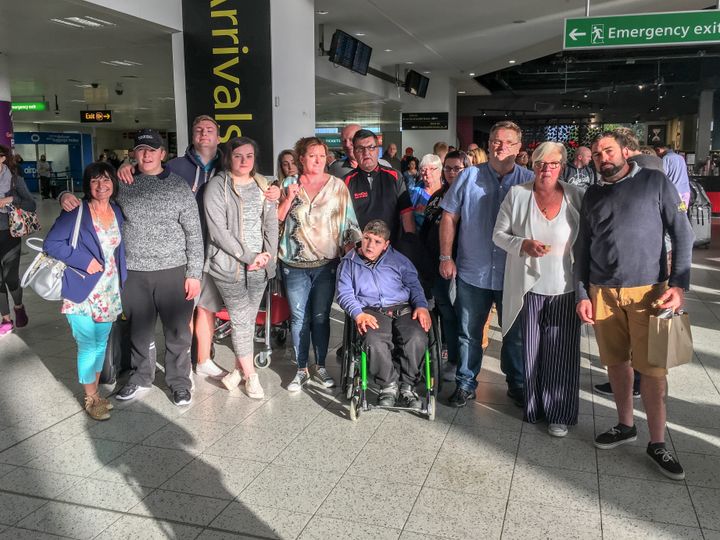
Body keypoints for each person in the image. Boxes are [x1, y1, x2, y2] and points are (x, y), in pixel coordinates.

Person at [575, 131, 693, 480]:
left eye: (608, 151)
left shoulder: (655, 182)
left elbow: (682, 232)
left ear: (625, 151)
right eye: (596, 154)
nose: (602, 158)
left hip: (649, 292)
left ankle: (658, 442)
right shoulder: (592, 193)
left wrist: (679, 285)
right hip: (603, 291)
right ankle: (625, 425)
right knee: (615, 364)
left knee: (654, 371)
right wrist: (582, 293)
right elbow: (582, 248)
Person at [439, 120, 533, 408]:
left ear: (519, 148)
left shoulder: (529, 180)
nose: (501, 146)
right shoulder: (468, 177)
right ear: (489, 143)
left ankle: (517, 384)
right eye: (496, 140)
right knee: (469, 332)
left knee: (515, 335)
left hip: (513, 273)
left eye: (508, 142)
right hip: (473, 270)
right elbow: (449, 217)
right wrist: (445, 256)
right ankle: (466, 384)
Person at [493, 142, 584, 437]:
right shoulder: (518, 194)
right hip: (529, 288)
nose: (546, 169)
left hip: (565, 287)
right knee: (531, 352)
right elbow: (499, 235)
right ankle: (534, 407)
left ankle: (559, 412)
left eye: (553, 164)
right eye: (540, 164)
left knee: (561, 353)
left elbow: (588, 240)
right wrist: (523, 245)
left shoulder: (575, 196)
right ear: (532, 165)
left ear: (563, 166)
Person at [111, 129, 203, 405]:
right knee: (140, 330)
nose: (147, 154)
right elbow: (96, 201)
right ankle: (141, 377)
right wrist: (65, 196)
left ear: (163, 154)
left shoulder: (178, 186)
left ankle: (179, 382)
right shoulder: (123, 184)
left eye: (152, 150)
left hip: (174, 270)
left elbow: (194, 233)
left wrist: (194, 274)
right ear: (134, 154)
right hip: (135, 272)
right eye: (141, 149)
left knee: (177, 332)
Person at [44, 162, 127, 420]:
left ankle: (97, 393)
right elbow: (51, 244)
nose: (101, 186)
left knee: (101, 344)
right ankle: (91, 398)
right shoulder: (76, 212)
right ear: (87, 185)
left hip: (109, 289)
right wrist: (83, 260)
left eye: (106, 180)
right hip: (81, 289)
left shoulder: (116, 210)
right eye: (95, 181)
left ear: (113, 183)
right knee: (88, 345)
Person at [278, 137, 361, 392]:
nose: (318, 160)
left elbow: (349, 224)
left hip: (327, 263)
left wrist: (353, 261)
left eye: (322, 156)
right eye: (312, 155)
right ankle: (301, 368)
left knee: (321, 317)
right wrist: (288, 198)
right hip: (293, 264)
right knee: (299, 318)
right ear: (301, 159)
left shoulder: (337, 186)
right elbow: (275, 221)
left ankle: (320, 366)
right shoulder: (289, 184)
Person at [203, 137, 278, 399]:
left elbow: (270, 223)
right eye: (238, 156)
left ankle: (237, 372)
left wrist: (270, 259)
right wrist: (248, 256)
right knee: (239, 318)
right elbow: (217, 232)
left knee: (246, 319)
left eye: (249, 156)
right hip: (229, 266)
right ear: (228, 158)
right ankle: (251, 376)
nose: (244, 161)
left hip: (260, 265)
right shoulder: (216, 186)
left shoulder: (263, 184)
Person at [336, 219, 431, 407]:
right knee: (373, 340)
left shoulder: (399, 261)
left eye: (377, 241)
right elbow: (344, 293)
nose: (370, 245)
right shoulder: (349, 263)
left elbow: (414, 285)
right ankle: (388, 385)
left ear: (386, 245)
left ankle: (408, 386)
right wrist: (358, 314)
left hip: (402, 307)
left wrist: (421, 306)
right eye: (367, 238)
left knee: (417, 337)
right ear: (362, 236)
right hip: (371, 310)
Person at [419, 150, 468, 382]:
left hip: (462, 267)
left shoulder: (471, 196)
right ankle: (452, 360)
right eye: (447, 168)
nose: (451, 172)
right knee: (446, 313)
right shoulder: (437, 196)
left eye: (456, 168)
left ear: (467, 169)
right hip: (435, 265)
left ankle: (463, 363)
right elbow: (426, 230)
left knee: (462, 317)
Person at [343, 129, 415, 241]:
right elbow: (342, 220)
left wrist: (411, 242)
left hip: (392, 248)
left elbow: (406, 212)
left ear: (378, 150)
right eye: (360, 149)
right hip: (360, 250)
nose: (366, 153)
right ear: (355, 152)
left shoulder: (395, 176)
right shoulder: (345, 182)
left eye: (371, 147)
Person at [0, 146, 35, 337]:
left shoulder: (14, 179)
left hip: (9, 233)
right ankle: (5, 319)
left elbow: (31, 203)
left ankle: (19, 306)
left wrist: (9, 200)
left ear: (2, 159)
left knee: (10, 278)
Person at [409, 154, 443, 230]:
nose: (427, 173)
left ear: (440, 171)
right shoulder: (414, 192)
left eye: (431, 169)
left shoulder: (447, 191)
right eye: (423, 169)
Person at [655, 143, 691, 207]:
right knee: (682, 213)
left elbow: (662, 175)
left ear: (659, 150)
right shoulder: (681, 158)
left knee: (672, 214)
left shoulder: (666, 158)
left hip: (673, 193)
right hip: (685, 192)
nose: (657, 156)